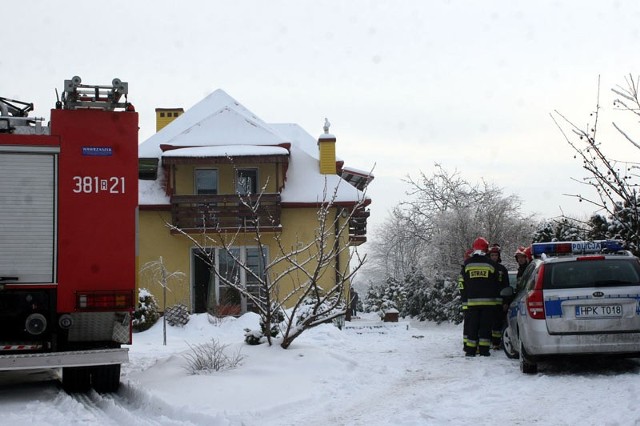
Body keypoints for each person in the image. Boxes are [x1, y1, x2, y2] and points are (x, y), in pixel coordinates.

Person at [459, 237, 502, 357]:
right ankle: (484, 350)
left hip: (472, 302)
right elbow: (497, 282)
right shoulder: (491, 264)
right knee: (485, 327)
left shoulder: (467, 264)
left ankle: (470, 351)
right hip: (488, 303)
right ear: (486, 249)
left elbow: (463, 283)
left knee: (472, 326)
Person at [487, 243, 509, 349]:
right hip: (487, 301)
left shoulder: (502, 269)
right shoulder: (486, 268)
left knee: (497, 323)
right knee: (488, 323)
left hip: (499, 302)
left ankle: (496, 343)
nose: (494, 257)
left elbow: (506, 285)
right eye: (492, 255)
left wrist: (506, 302)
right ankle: (489, 341)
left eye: (496, 255)